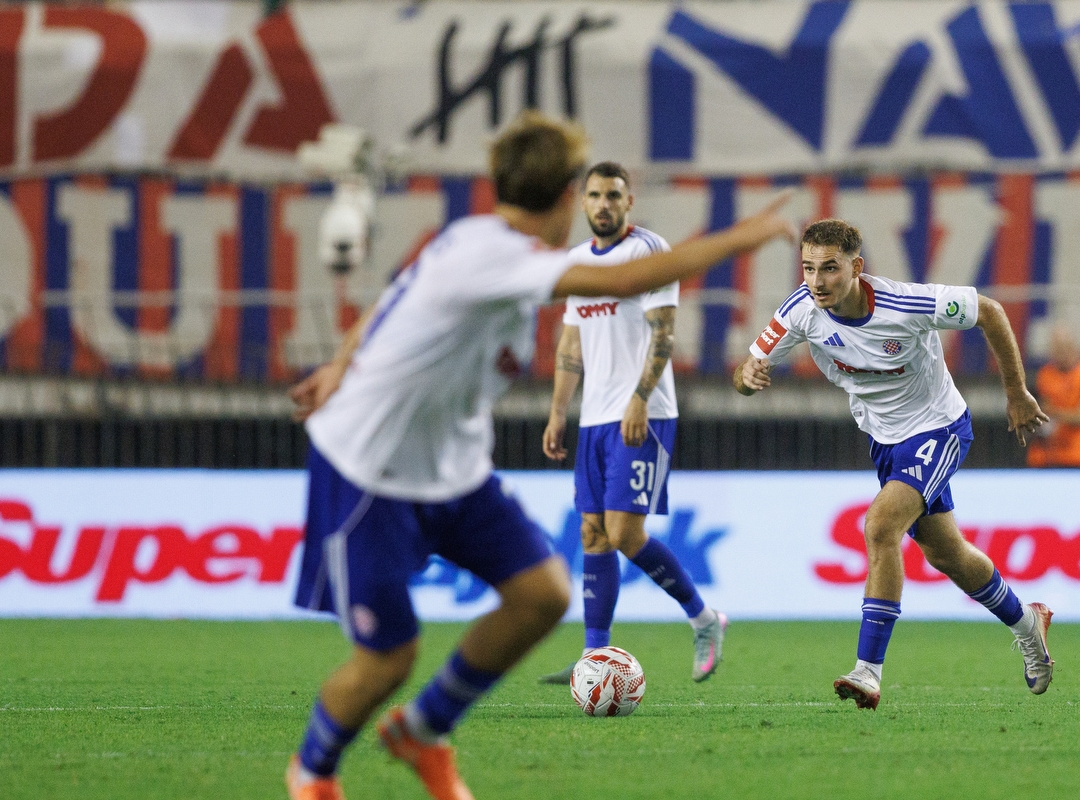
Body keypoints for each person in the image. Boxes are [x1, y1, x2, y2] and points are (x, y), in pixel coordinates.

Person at [284, 111, 796, 800]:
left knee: (541, 594)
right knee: (389, 657)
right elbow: (617, 283)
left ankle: (423, 731)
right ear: (565, 200)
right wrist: (746, 235)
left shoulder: (480, 242)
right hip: (368, 470)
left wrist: (340, 363)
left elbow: (385, 306)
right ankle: (313, 773)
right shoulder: (499, 256)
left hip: (452, 471)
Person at [732, 219, 1055, 711]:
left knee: (880, 526)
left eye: (830, 269)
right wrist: (748, 375)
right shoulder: (801, 310)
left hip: (938, 427)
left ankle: (868, 671)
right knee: (947, 555)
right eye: (808, 268)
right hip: (884, 440)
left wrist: (1016, 392)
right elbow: (743, 370)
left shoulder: (906, 303)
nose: (817, 281)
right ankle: (1026, 622)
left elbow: (989, 311)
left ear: (857, 268)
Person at [536, 162, 726, 686]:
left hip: (644, 413)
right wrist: (558, 412)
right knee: (593, 534)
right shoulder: (577, 261)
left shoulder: (648, 251)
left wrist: (640, 398)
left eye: (613, 195)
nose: (603, 204)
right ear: (582, 203)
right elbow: (571, 343)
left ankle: (705, 619)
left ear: (629, 202)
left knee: (623, 532)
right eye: (594, 195)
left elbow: (664, 333)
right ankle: (594, 656)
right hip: (595, 417)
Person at [1027, 325, 1080, 468]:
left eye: (1065, 346)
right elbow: (1033, 416)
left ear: (1076, 347)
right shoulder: (1042, 376)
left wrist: (1055, 413)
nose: (1061, 352)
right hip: (1045, 458)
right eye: (1056, 347)